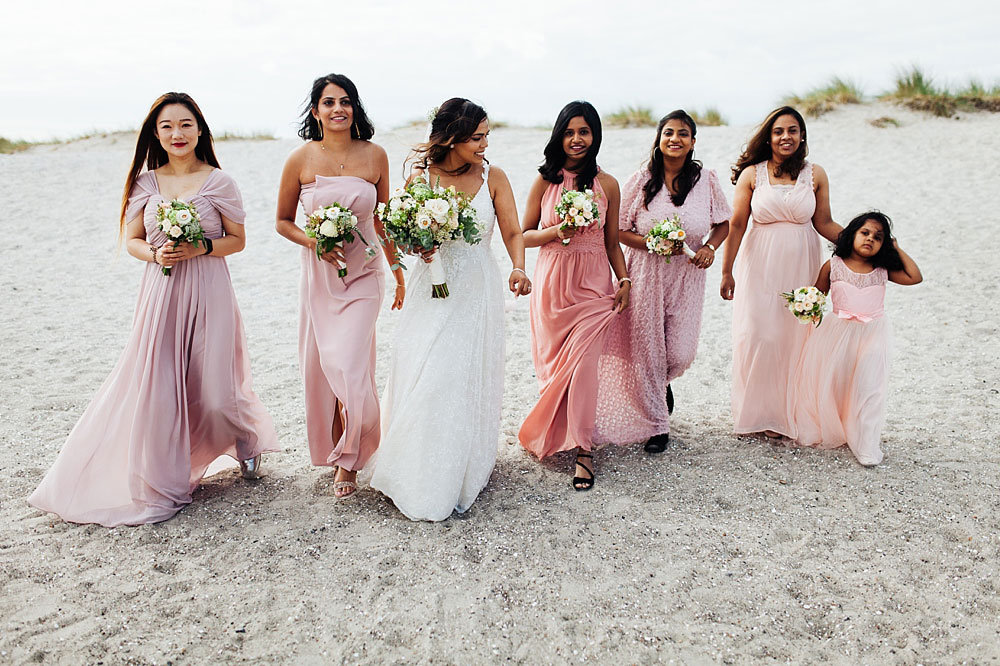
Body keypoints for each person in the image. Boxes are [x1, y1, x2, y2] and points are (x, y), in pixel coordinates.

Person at [28, 92, 278, 526]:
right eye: (167, 126)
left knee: (217, 388)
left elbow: (238, 240)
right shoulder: (146, 183)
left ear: (200, 130)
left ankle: (245, 441)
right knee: (161, 385)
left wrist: (200, 245)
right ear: (155, 134)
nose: (177, 134)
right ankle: (169, 471)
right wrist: (156, 255)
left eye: (185, 125)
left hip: (209, 289)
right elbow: (132, 241)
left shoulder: (218, 181)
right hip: (161, 293)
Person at [368, 98, 531, 520]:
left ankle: (456, 469)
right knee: (425, 366)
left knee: (458, 374)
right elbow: (397, 234)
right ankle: (414, 466)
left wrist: (518, 267)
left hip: (475, 286)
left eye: (486, 136)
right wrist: (417, 244)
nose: (484, 144)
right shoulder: (421, 178)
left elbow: (512, 229)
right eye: (477, 137)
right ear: (452, 137)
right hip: (429, 285)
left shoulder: (493, 176)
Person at [276, 73, 404, 498]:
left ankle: (350, 459)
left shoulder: (375, 156)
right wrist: (313, 241)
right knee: (323, 367)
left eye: (345, 101)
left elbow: (384, 221)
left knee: (350, 365)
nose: (337, 109)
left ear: (355, 109)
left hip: (365, 273)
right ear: (315, 111)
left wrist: (399, 271)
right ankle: (339, 444)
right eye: (328, 102)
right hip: (320, 278)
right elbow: (282, 222)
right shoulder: (300, 159)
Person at [596, 110, 730, 453]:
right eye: (668, 133)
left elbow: (723, 223)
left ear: (693, 142)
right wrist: (654, 243)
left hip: (687, 276)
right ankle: (658, 425)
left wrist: (711, 248)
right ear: (659, 139)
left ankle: (660, 385)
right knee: (648, 350)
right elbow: (620, 230)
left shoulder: (707, 180)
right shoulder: (641, 180)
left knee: (681, 353)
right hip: (645, 272)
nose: (675, 139)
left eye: (683, 134)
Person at [517, 101, 630, 490]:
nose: (577, 139)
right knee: (553, 371)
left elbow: (613, 242)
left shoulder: (608, 185)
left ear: (595, 135)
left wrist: (625, 279)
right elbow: (523, 235)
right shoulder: (545, 182)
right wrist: (556, 232)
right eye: (569, 132)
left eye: (584, 132)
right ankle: (553, 431)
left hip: (595, 286)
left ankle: (584, 448)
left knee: (583, 371)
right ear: (559, 135)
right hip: (553, 285)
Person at [719, 106, 842, 440]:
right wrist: (726, 271)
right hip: (759, 263)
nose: (785, 136)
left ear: (801, 135)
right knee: (760, 335)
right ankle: (760, 413)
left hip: (801, 262)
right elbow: (737, 224)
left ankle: (786, 415)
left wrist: (863, 243)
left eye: (792, 130)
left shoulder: (814, 174)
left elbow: (825, 223)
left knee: (795, 337)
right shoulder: (753, 175)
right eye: (778, 131)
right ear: (769, 137)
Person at [792, 211, 922, 465]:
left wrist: (897, 249)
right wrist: (803, 304)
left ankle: (866, 442)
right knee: (836, 382)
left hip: (873, 332)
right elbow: (817, 295)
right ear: (852, 234)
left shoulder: (882, 269)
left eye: (879, 237)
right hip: (838, 333)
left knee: (869, 386)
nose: (870, 239)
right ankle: (834, 426)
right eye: (865, 233)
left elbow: (915, 277)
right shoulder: (834, 265)